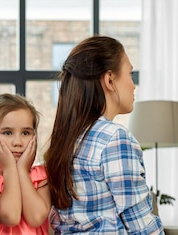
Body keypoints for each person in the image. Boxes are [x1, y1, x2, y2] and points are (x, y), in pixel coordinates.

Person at [44, 35, 164, 234]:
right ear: (109, 80)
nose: (133, 85)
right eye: (130, 74)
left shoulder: (65, 141)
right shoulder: (115, 139)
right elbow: (141, 225)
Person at [0, 93, 51, 235]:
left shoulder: (41, 177)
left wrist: (21, 170)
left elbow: (36, 217)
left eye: (26, 133)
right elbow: (11, 215)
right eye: (7, 133)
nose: (18, 142)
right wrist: (9, 169)